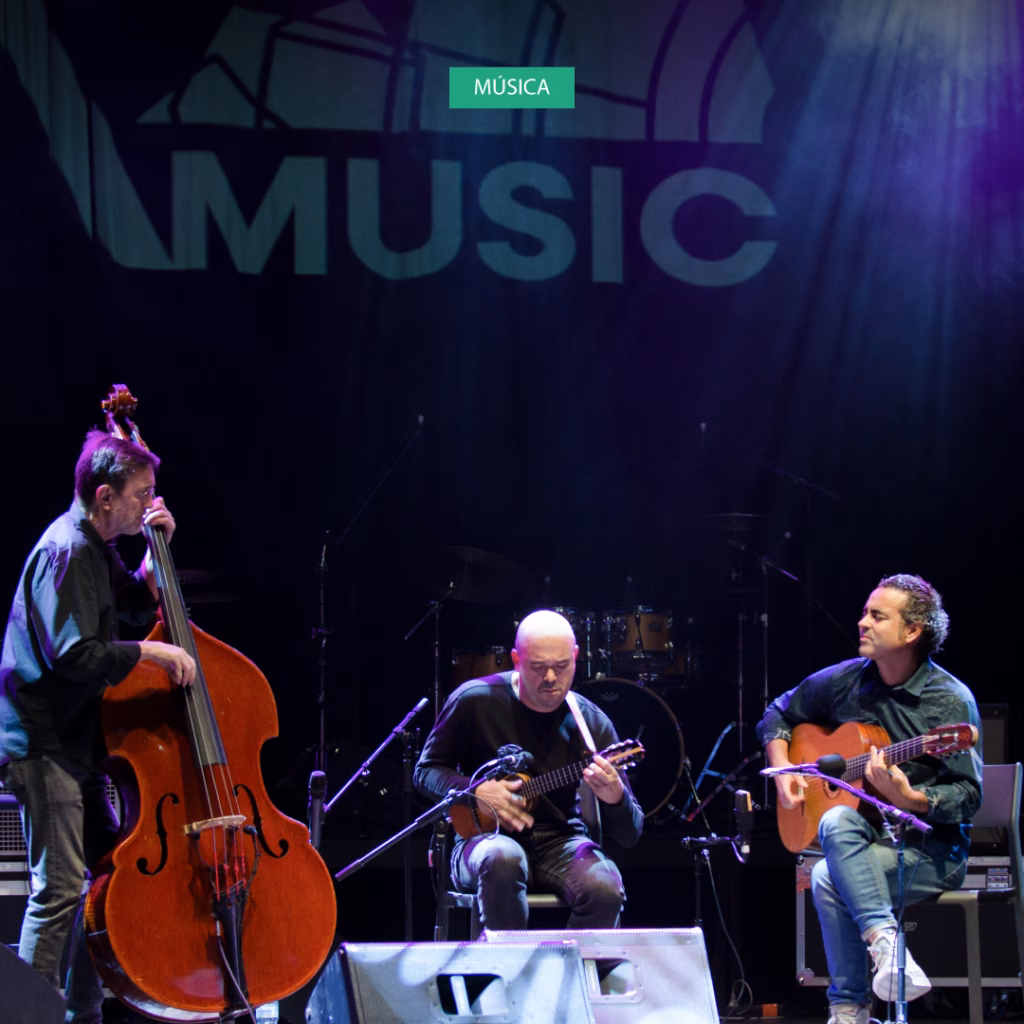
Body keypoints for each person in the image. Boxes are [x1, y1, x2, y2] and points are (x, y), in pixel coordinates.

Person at [0, 430, 197, 1024]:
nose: (148, 504)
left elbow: (132, 603)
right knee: (58, 892)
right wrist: (156, 655)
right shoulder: (67, 550)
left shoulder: (96, 546)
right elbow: (75, 655)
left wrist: (154, 554)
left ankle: (80, 1014)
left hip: (77, 742)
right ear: (105, 495)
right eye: (141, 495)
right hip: (43, 744)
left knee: (110, 884)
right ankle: (26, 1016)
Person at [757, 574, 982, 1024]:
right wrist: (784, 773)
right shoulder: (845, 680)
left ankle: (849, 1008)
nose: (862, 623)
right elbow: (778, 714)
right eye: (865, 612)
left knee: (824, 877)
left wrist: (912, 796)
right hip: (863, 839)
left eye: (877, 616)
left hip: (929, 849)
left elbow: (968, 795)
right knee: (837, 825)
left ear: (912, 632)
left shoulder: (949, 702)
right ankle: (887, 947)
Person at [414, 608, 643, 931]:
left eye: (562, 666)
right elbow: (425, 772)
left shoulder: (591, 722)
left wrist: (615, 797)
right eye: (538, 667)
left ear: (576, 657)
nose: (551, 678)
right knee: (503, 859)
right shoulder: (474, 700)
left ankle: (569, 974)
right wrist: (474, 790)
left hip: (561, 842)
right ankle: (506, 976)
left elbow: (631, 833)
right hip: (482, 838)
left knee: (604, 886)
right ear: (516, 660)